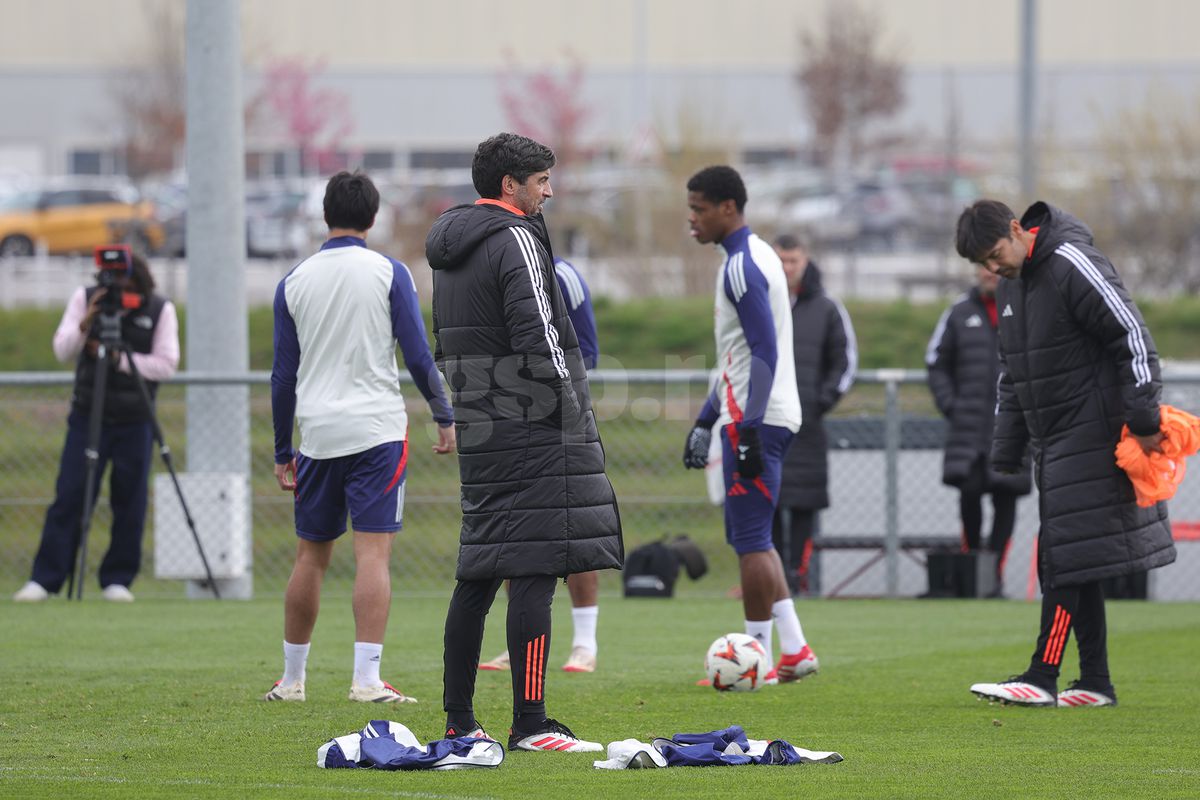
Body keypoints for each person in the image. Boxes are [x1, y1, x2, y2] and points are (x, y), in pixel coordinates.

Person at [425, 133, 623, 751]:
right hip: (535, 425)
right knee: (535, 569)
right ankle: (530, 724)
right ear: (510, 185)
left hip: (483, 420)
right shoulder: (515, 238)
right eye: (540, 180)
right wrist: (575, 414)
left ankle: (460, 720)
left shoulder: (450, 247)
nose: (549, 190)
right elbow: (539, 333)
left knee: (478, 574)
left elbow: (445, 340)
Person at [958, 199, 1176, 707]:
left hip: (1096, 431)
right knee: (1079, 556)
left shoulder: (1072, 262)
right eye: (983, 265)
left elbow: (1133, 337)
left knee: (1062, 555)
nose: (993, 269)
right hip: (1053, 440)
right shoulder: (1013, 283)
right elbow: (1013, 372)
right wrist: (1007, 445)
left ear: (1017, 229)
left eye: (995, 255)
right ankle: (1095, 682)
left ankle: (1042, 675)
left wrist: (1144, 419)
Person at [266, 171, 455, 704]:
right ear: (374, 218)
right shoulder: (388, 272)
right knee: (373, 557)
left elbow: (282, 376)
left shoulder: (294, 280)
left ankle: (291, 680)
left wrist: (284, 449)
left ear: (325, 214)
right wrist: (442, 413)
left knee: (310, 557)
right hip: (376, 431)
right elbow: (417, 353)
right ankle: (366, 680)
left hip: (318, 434)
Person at [681, 166, 818, 684]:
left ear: (728, 208)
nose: (691, 219)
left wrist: (750, 427)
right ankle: (796, 650)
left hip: (755, 418)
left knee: (751, 541)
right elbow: (739, 359)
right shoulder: (756, 255)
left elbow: (763, 350)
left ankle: (753, 662)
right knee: (758, 538)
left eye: (699, 209)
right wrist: (704, 419)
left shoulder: (740, 266)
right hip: (756, 413)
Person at [13, 252, 179, 603]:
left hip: (135, 419)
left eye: (127, 285)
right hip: (88, 416)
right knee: (71, 495)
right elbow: (62, 350)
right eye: (113, 282)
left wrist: (118, 360)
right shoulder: (85, 300)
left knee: (129, 499)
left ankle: (117, 579)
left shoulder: (158, 309)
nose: (119, 291)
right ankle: (46, 579)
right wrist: (85, 323)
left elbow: (166, 365)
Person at [479, 257, 603, 674]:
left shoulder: (562, 276)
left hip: (563, 423)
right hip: (512, 426)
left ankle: (585, 643)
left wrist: (557, 401)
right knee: (518, 531)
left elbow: (588, 350)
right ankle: (518, 642)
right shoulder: (495, 272)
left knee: (577, 527)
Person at [925, 263, 1032, 595]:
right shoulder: (958, 312)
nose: (990, 274)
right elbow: (935, 362)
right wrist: (952, 405)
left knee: (1006, 498)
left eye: (995, 267)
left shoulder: (1028, 308)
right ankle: (972, 572)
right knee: (969, 495)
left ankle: (994, 576)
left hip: (1014, 426)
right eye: (984, 268)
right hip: (970, 429)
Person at [771, 234, 857, 596]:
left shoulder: (827, 307)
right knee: (768, 504)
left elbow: (845, 361)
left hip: (807, 424)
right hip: (767, 423)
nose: (788, 268)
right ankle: (772, 579)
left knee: (804, 503)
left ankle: (797, 575)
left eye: (794, 260)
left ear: (805, 260)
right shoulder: (759, 302)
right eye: (782, 261)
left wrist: (818, 402)